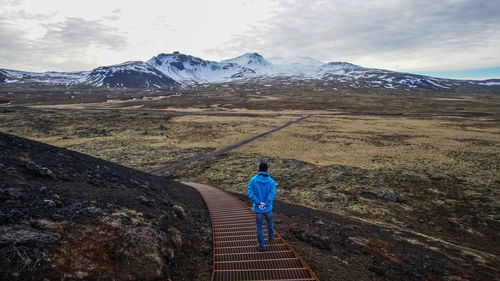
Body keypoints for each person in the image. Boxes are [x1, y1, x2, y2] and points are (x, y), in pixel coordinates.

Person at [247, 162, 276, 251]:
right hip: (268, 208)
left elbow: (250, 194)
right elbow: (272, 194)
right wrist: (266, 203)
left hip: (257, 208)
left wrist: (259, 203)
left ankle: (261, 245)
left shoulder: (252, 180)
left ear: (259, 169)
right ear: (267, 170)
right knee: (270, 223)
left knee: (259, 226)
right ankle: (271, 238)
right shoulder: (271, 182)